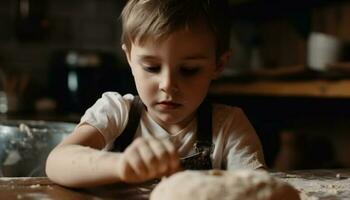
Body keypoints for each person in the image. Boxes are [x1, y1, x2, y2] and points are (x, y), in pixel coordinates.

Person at [46, 0, 266, 188]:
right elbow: (57, 162)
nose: (168, 85)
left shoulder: (228, 127)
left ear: (219, 64)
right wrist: (120, 165)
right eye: (151, 67)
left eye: (189, 70)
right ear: (130, 58)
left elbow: (258, 188)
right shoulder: (116, 113)